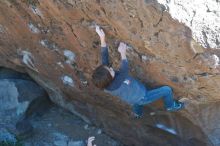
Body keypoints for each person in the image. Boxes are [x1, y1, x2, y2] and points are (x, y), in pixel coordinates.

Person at [92, 26, 184, 118]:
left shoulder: (105, 82)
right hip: (144, 96)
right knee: (166, 90)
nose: (111, 68)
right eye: (110, 70)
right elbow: (124, 70)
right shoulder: (116, 84)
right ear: (109, 78)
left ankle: (138, 114)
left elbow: (104, 58)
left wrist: (102, 38)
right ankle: (170, 106)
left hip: (131, 98)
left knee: (136, 103)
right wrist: (123, 53)